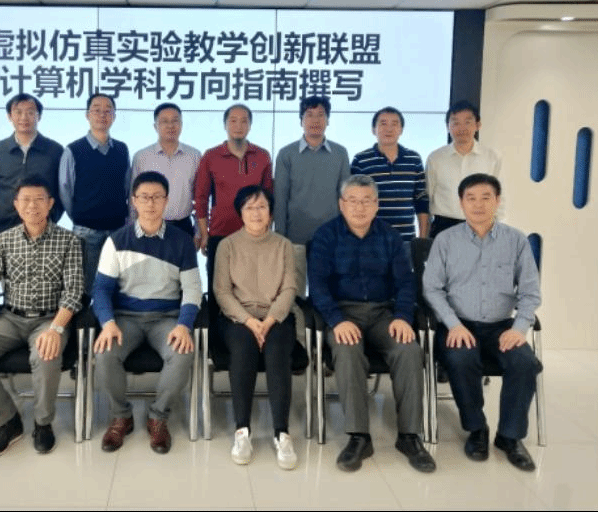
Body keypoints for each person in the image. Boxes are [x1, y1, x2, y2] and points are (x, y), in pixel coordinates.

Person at [308, 175, 435, 473]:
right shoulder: (326, 236)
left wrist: (403, 316)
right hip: (342, 313)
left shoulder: (390, 237)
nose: (360, 207)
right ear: (341, 204)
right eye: (353, 201)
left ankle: (409, 436)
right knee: (347, 350)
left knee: (408, 349)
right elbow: (318, 287)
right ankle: (359, 436)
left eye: (367, 201)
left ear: (377, 205)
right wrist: (337, 321)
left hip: (382, 313)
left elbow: (405, 283)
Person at [0, 175, 83, 457]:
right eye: (25, 200)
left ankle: (43, 423)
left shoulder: (69, 241)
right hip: (10, 319)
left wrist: (55, 330)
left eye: (39, 199)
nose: (32, 206)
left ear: (50, 203)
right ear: (16, 204)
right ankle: (7, 420)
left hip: (49, 319)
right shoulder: (4, 241)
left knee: (46, 354)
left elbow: (73, 293)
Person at [423, 173, 542, 472]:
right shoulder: (445, 240)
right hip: (458, 324)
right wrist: (453, 323)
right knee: (461, 359)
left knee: (525, 363)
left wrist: (519, 329)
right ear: (461, 203)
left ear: (497, 201)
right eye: (471, 198)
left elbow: (530, 292)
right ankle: (477, 429)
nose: (478, 204)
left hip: (502, 326)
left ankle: (510, 437)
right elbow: (432, 288)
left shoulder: (516, 240)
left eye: (486, 197)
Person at [93, 171, 202, 454]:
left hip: (166, 319)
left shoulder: (181, 241)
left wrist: (183, 325)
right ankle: (121, 416)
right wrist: (108, 323)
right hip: (125, 318)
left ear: (166, 201)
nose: (150, 203)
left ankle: (158, 417)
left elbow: (192, 289)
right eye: (144, 197)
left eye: (157, 197)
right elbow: (101, 289)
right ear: (133, 201)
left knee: (182, 353)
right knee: (104, 353)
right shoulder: (117, 240)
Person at [214, 185, 298, 470]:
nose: (256, 213)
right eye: (249, 207)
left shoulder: (284, 245)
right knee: (242, 348)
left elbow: (289, 288)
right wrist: (250, 322)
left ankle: (282, 433)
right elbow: (222, 292)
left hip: (276, 317)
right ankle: (242, 431)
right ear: (240, 213)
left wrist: (269, 320)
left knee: (277, 352)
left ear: (270, 212)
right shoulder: (227, 245)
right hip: (238, 318)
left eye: (262, 207)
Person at [274, 96, 350, 298]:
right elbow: (280, 198)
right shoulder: (286, 154)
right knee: (294, 295)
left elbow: (345, 198)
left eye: (321, 115)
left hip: (330, 237)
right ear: (301, 120)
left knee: (327, 294)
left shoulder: (340, 153)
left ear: (328, 120)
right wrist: (280, 237)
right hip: (295, 237)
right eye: (309, 115)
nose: (315, 120)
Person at [194, 104, 273, 296]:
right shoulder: (211, 156)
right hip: (220, 235)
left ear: (250, 126)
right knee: (218, 293)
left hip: (253, 235)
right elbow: (201, 198)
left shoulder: (262, 156)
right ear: (225, 125)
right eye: (233, 121)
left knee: (252, 292)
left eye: (244, 121)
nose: (239, 126)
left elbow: (269, 198)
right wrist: (204, 234)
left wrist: (266, 230)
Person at [59, 93, 129, 295]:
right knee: (83, 288)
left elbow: (126, 186)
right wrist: (81, 215)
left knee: (116, 287)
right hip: (85, 231)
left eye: (108, 110)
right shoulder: (73, 150)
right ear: (87, 115)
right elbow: (65, 189)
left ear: (114, 116)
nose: (102, 115)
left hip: (117, 230)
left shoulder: (121, 149)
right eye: (96, 110)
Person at [0, 93, 64, 235]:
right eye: (18, 112)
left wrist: (52, 216)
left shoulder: (55, 151)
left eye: (30, 112)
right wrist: (3, 211)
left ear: (39, 116)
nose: (24, 117)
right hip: (6, 228)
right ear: (9, 116)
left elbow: (62, 191)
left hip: (45, 228)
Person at [351, 106, 429, 244]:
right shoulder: (361, 160)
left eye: (394, 124)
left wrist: (422, 240)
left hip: (405, 241)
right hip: (370, 242)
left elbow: (421, 200)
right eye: (383, 123)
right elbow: (353, 204)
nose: (389, 129)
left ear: (401, 130)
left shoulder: (414, 159)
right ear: (373, 130)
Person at [426, 100, 503, 239]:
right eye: (455, 123)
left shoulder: (492, 157)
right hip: (444, 226)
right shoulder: (435, 158)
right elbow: (428, 195)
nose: (462, 128)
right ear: (448, 127)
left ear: (478, 125)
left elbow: (500, 197)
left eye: (467, 122)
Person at [130, 103, 202, 243]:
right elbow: (133, 197)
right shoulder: (142, 157)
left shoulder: (194, 156)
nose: (170, 126)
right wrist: (133, 230)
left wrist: (199, 231)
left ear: (181, 124)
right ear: (155, 126)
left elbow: (200, 197)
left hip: (183, 227)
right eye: (164, 121)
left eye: (175, 121)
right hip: (149, 227)